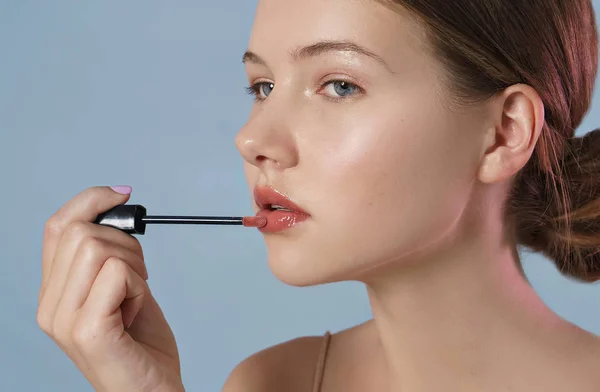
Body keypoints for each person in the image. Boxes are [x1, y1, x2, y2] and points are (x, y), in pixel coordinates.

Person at [36, 0, 600, 391]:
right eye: (263, 87)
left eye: (339, 85)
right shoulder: (272, 385)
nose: (251, 139)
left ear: (504, 132)